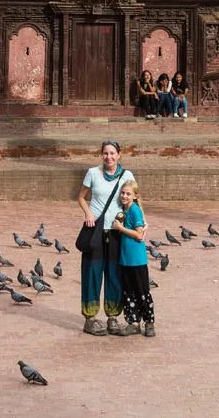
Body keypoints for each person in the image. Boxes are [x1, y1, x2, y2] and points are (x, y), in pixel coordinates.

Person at [78, 140, 136, 336]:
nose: (108, 157)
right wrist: (88, 214)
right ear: (101, 155)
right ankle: (90, 318)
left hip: (117, 231)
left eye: (112, 153)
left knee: (114, 275)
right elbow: (81, 197)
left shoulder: (127, 175)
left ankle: (112, 316)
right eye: (105, 153)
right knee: (92, 273)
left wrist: (140, 223)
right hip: (95, 230)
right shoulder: (93, 173)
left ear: (119, 155)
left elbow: (134, 199)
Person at [111, 179, 155, 337]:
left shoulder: (135, 210)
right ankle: (133, 322)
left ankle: (149, 322)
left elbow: (138, 235)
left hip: (137, 259)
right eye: (123, 193)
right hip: (125, 259)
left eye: (128, 194)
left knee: (142, 291)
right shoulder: (124, 209)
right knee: (128, 292)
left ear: (135, 196)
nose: (124, 196)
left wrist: (120, 228)